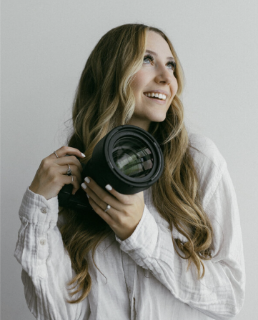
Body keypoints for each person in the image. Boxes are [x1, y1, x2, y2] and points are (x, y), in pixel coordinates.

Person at [14, 24, 245, 320]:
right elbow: (59, 314)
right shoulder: (74, 175)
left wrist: (141, 233)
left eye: (171, 65)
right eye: (147, 60)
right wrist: (38, 209)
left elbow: (230, 296)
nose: (166, 78)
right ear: (112, 72)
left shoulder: (198, 161)